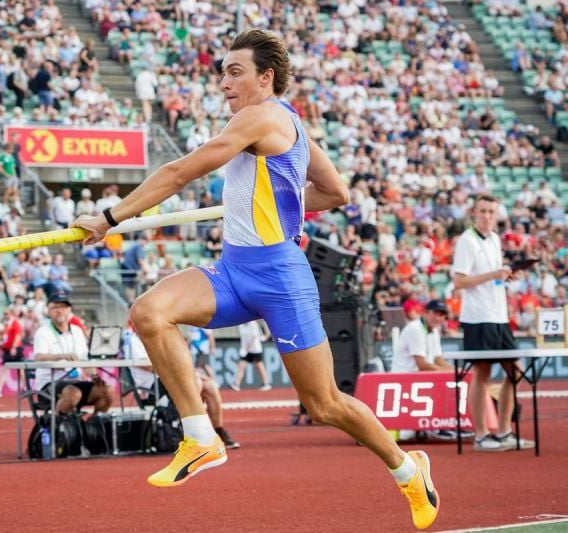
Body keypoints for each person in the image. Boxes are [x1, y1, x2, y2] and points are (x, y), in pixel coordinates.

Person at [71, 29, 438, 530]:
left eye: (235, 71)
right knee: (150, 313)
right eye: (222, 71)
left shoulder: (262, 115)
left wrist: (109, 217)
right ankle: (201, 437)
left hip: (282, 277)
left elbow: (179, 173)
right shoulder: (289, 125)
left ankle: (407, 468)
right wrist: (277, 201)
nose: (224, 81)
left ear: (266, 78)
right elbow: (335, 193)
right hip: (235, 270)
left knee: (324, 403)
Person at [452, 194, 534, 452]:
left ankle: (503, 432)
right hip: (478, 317)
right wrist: (493, 275)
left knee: (515, 371)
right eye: (483, 211)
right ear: (474, 213)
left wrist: (505, 276)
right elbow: (459, 281)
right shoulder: (467, 241)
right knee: (482, 374)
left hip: (499, 316)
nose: (487, 216)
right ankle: (481, 436)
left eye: (491, 211)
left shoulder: (495, 239)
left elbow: (492, 279)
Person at [124, 321, 239, 449]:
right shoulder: (133, 339)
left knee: (210, 386)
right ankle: (196, 431)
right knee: (195, 381)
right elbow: (147, 366)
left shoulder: (155, 335)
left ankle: (219, 431)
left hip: (166, 378)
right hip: (151, 385)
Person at [32, 291, 114, 414]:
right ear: (48, 311)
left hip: (75, 381)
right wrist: (62, 356)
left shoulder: (77, 331)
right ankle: (58, 428)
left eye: (63, 307)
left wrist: (94, 375)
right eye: (55, 307)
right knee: (73, 393)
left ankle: (93, 428)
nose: (60, 310)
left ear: (69, 309)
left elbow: (84, 360)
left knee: (107, 391)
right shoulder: (43, 332)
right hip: (49, 384)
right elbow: (38, 357)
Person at [391, 300, 458, 442]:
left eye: (442, 315)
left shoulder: (433, 330)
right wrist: (447, 374)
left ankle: (448, 423)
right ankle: (439, 425)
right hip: (406, 378)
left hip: (419, 376)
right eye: (436, 313)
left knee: (455, 379)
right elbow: (422, 364)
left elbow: (438, 359)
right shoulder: (415, 329)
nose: (439, 318)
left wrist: (456, 372)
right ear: (425, 313)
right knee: (445, 382)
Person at [0, 307, 25, 398]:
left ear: (11, 314)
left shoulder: (15, 323)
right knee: (17, 369)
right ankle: (24, 388)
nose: (5, 315)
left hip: (14, 349)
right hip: (9, 349)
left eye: (6, 313)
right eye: (4, 314)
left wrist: (14, 347)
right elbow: (6, 337)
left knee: (16, 369)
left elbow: (18, 336)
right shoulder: (7, 325)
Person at [230, 320, 272, 391]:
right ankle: (236, 384)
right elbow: (243, 338)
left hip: (255, 348)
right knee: (241, 366)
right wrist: (244, 349)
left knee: (259, 366)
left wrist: (246, 349)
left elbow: (254, 338)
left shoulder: (253, 324)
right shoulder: (240, 325)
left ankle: (266, 383)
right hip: (245, 350)